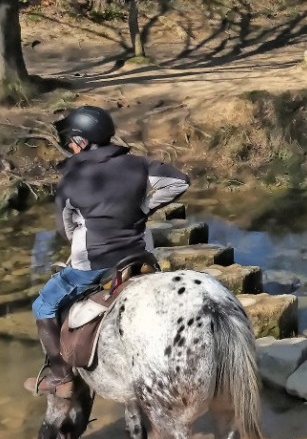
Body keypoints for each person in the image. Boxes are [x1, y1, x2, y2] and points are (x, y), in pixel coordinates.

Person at [23, 105, 190, 397]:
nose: (70, 147)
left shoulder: (72, 180)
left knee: (43, 306)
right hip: (139, 255)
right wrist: (143, 208)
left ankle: (61, 377)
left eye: (71, 142)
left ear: (83, 142)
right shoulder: (138, 163)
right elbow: (179, 181)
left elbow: (66, 230)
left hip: (95, 264)